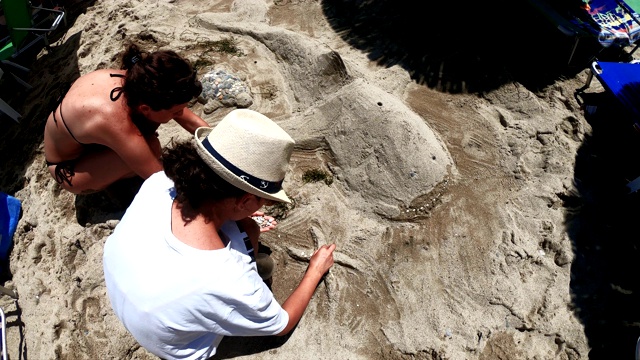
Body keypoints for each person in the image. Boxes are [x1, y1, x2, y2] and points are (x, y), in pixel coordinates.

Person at [103, 109, 336, 360]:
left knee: (250, 230)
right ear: (245, 200)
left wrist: (245, 220)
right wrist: (315, 270)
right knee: (262, 261)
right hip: (178, 349)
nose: (262, 207)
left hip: (129, 296)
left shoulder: (159, 182)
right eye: (262, 202)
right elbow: (282, 324)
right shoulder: (227, 277)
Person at [43, 42, 208, 195]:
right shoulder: (111, 118)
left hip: (88, 142)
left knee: (153, 124)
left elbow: (189, 118)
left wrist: (215, 140)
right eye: (176, 112)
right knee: (151, 147)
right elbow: (158, 179)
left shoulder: (141, 79)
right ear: (145, 107)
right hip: (69, 169)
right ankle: (112, 184)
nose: (180, 114)